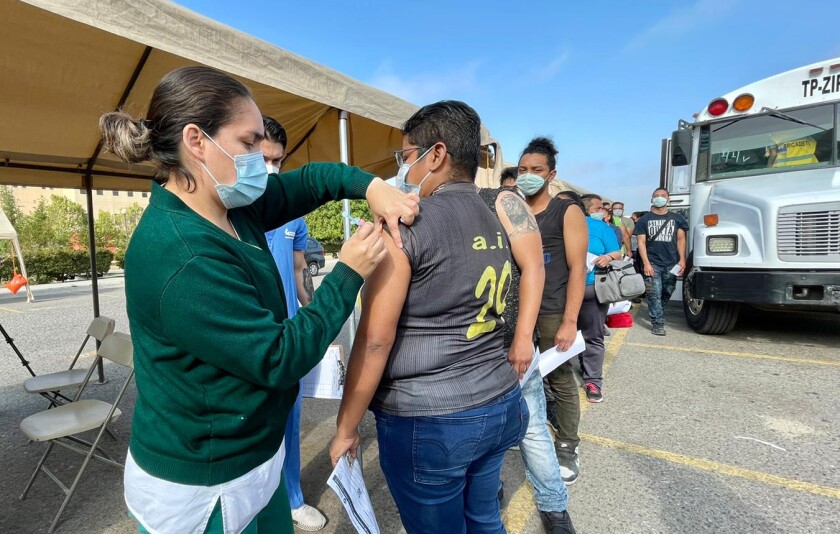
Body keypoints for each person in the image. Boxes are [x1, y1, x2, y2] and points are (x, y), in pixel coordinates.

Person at [102, 66, 419, 534]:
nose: (260, 161)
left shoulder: (231, 207)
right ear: (197, 141)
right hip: (206, 481)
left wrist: (372, 187)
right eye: (248, 144)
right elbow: (278, 356)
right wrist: (349, 272)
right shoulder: (180, 254)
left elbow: (312, 181)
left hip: (257, 456)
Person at [329, 101, 527, 533]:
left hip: (431, 418)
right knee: (485, 518)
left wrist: (346, 427)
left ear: (435, 155)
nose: (403, 170)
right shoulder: (500, 218)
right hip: (499, 400)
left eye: (406, 156)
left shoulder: (407, 226)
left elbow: (375, 341)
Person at [477, 184, 576, 533]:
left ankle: (554, 508)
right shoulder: (427, 207)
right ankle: (489, 491)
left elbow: (534, 267)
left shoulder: (497, 201)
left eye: (411, 154)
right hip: (468, 353)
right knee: (481, 433)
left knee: (532, 428)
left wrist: (522, 337)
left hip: (511, 346)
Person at [260, 115, 324, 530]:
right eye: (261, 158)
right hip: (250, 339)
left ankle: (293, 498)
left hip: (289, 336)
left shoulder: (291, 212)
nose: (269, 170)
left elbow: (301, 272)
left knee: (291, 421)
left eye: (277, 162)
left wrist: (316, 315)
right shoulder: (227, 210)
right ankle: (258, 505)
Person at [515, 137, 588, 484]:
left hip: (552, 311)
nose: (528, 175)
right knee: (524, 379)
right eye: (523, 169)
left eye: (536, 170)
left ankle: (568, 445)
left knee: (559, 381)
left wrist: (570, 320)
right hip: (518, 312)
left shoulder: (566, 211)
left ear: (551, 173)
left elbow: (578, 268)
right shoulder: (513, 213)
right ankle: (531, 435)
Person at [562, 192, 620, 403]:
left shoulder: (603, 228)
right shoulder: (561, 224)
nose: (602, 212)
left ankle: (593, 379)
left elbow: (617, 253)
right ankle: (565, 380)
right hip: (563, 290)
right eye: (598, 208)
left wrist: (606, 257)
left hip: (592, 287)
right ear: (585, 208)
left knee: (592, 335)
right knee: (576, 334)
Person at [634, 188, 688, 336]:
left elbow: (681, 240)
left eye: (663, 196)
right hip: (652, 262)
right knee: (654, 293)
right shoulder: (644, 220)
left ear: (668, 199)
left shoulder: (677, 219)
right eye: (656, 196)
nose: (659, 198)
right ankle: (658, 322)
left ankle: (657, 310)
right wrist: (646, 263)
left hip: (672, 262)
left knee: (667, 290)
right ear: (652, 199)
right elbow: (641, 243)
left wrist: (682, 259)